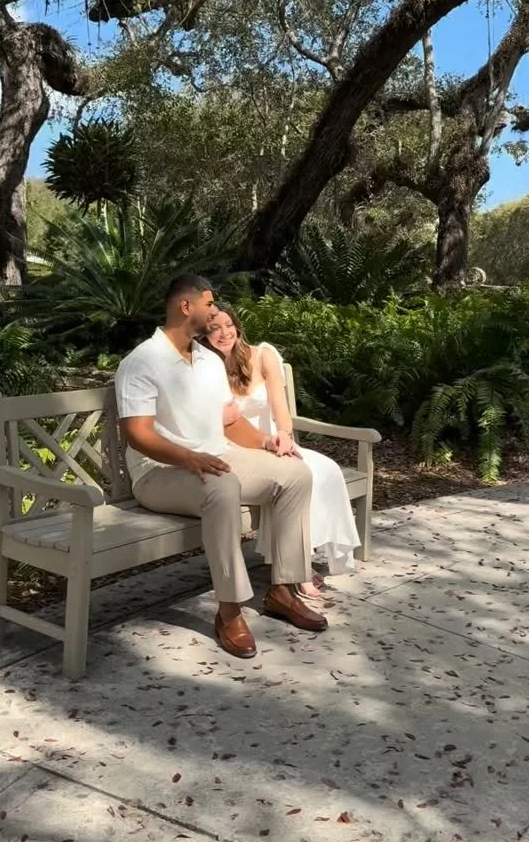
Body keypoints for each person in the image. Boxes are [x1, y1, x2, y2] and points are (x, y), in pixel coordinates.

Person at [115, 274, 328, 660]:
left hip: (215, 458)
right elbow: (138, 434)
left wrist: (267, 442)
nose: (214, 311)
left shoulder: (208, 361)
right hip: (159, 472)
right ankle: (229, 611)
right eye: (209, 304)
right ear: (186, 307)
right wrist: (187, 457)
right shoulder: (141, 361)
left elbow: (229, 424)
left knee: (295, 474)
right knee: (224, 487)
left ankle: (283, 590)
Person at [204, 305, 361, 598]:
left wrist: (285, 436)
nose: (223, 333)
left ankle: (303, 556)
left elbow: (280, 408)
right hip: (238, 449)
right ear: (204, 335)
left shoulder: (263, 355)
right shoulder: (205, 368)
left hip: (275, 440)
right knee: (293, 476)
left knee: (324, 469)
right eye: (214, 328)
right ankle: (299, 570)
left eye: (228, 325)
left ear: (237, 326)